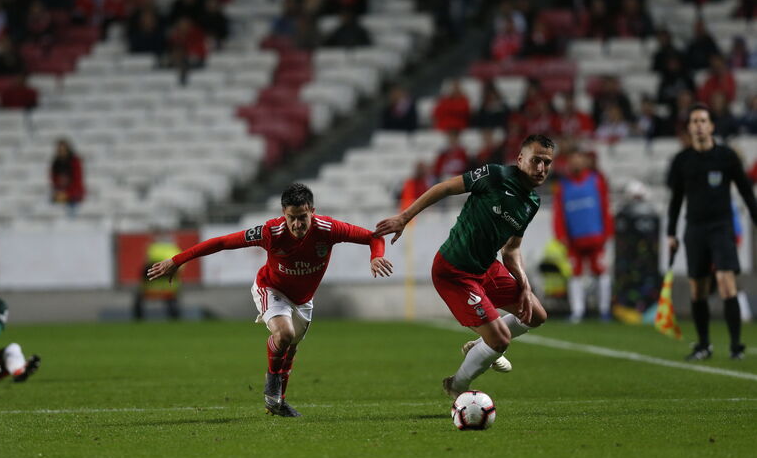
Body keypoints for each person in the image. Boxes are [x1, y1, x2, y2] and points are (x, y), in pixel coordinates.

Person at [148, 183, 393, 417]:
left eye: (302, 217)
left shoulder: (328, 229)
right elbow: (222, 242)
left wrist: (376, 256)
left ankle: (277, 402)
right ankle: (272, 380)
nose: (297, 224)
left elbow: (373, 237)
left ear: (312, 211)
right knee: (284, 334)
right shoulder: (270, 232)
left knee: (290, 347)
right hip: (271, 289)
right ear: (283, 213)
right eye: (291, 218)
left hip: (303, 300)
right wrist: (177, 260)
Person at [374, 135, 556, 399]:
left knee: (536, 315)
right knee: (501, 341)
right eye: (536, 160)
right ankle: (457, 385)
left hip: (487, 268)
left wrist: (525, 287)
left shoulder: (532, 203)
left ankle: (481, 345)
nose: (541, 168)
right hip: (454, 271)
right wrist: (405, 217)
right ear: (520, 159)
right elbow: (445, 188)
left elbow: (511, 249)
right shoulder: (495, 176)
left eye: (547, 163)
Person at [666, 104, 757, 360]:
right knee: (698, 289)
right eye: (694, 121)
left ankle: (736, 346)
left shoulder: (726, 157)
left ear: (711, 126)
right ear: (689, 127)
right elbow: (676, 200)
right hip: (695, 229)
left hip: (721, 227)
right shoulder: (682, 161)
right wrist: (671, 233)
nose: (699, 125)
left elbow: (746, 191)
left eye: (703, 121)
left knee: (727, 283)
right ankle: (704, 345)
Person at [552, 150, 614, 322]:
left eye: (579, 160)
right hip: (574, 240)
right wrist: (560, 235)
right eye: (573, 160)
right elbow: (559, 213)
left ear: (585, 162)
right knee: (575, 274)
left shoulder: (596, 180)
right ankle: (577, 312)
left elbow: (605, 206)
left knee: (602, 272)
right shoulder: (563, 186)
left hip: (596, 237)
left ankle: (604, 310)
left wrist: (608, 231)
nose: (576, 163)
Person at [134, 236, 183, 320]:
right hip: (170, 287)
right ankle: (175, 318)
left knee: (138, 298)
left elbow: (145, 271)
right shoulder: (175, 250)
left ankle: (138, 320)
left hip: (150, 287)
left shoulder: (152, 249)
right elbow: (179, 270)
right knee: (172, 302)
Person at [50, 138, 85, 212]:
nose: (62, 152)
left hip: (74, 194)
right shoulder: (56, 163)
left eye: (63, 149)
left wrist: (67, 193)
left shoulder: (74, 161)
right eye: (60, 150)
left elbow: (77, 181)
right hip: (61, 193)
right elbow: (54, 180)